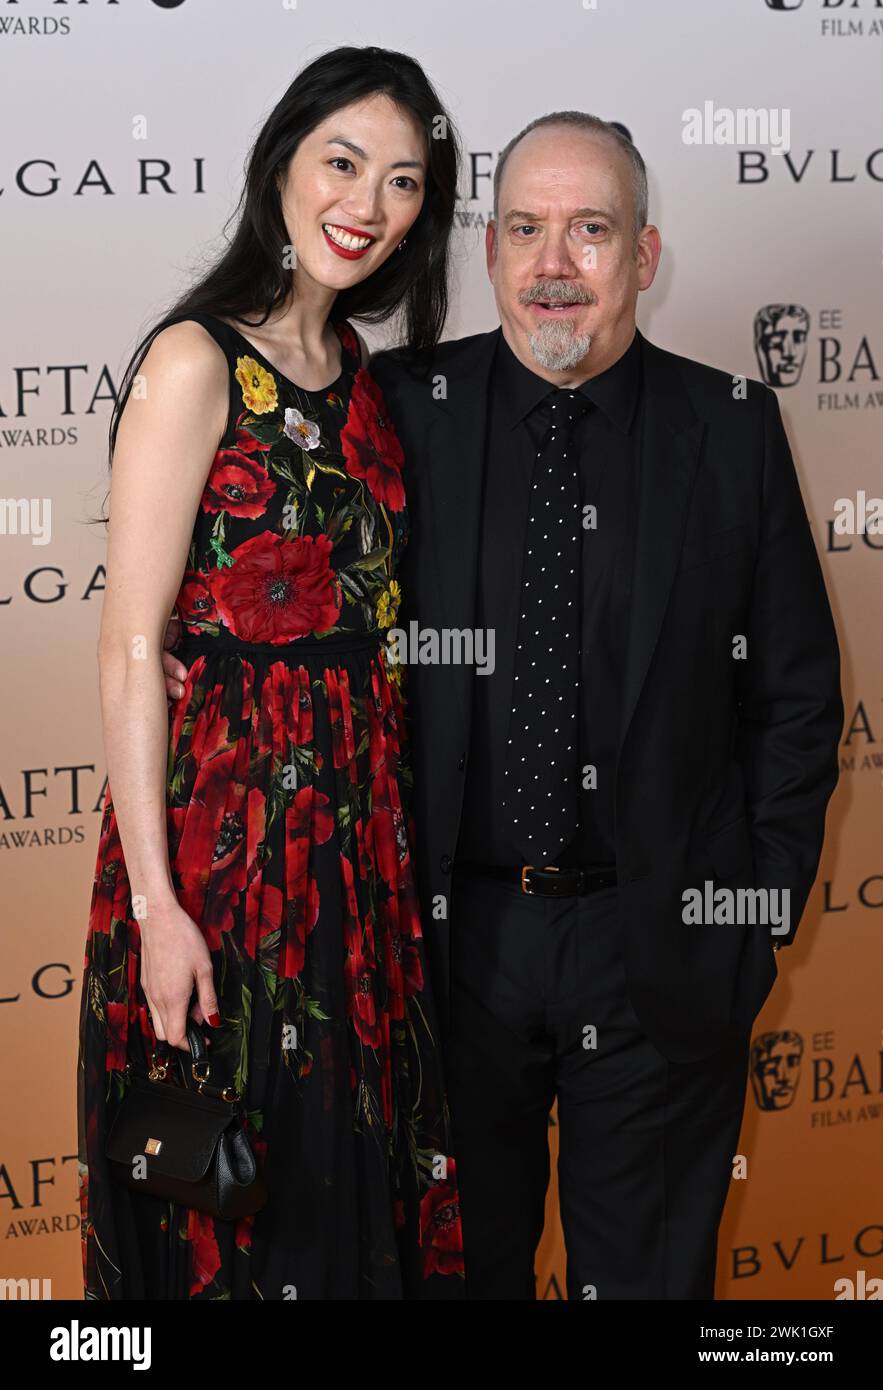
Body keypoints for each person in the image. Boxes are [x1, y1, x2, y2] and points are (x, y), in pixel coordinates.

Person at [163, 111, 843, 1300]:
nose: (553, 264)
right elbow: (276, 571)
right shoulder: (399, 410)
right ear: (486, 253)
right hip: (440, 956)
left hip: (664, 954)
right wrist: (196, 650)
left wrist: (755, 911)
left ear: (644, 254)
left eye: (590, 231)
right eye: (524, 228)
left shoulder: (729, 427)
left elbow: (791, 698)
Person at [78, 45, 465, 1301]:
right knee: (239, 1199)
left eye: (406, 181)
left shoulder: (366, 379)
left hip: (359, 841)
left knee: (351, 1188)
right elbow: (134, 643)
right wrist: (155, 906)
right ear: (281, 170)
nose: (371, 202)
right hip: (223, 845)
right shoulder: (199, 360)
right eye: (343, 163)